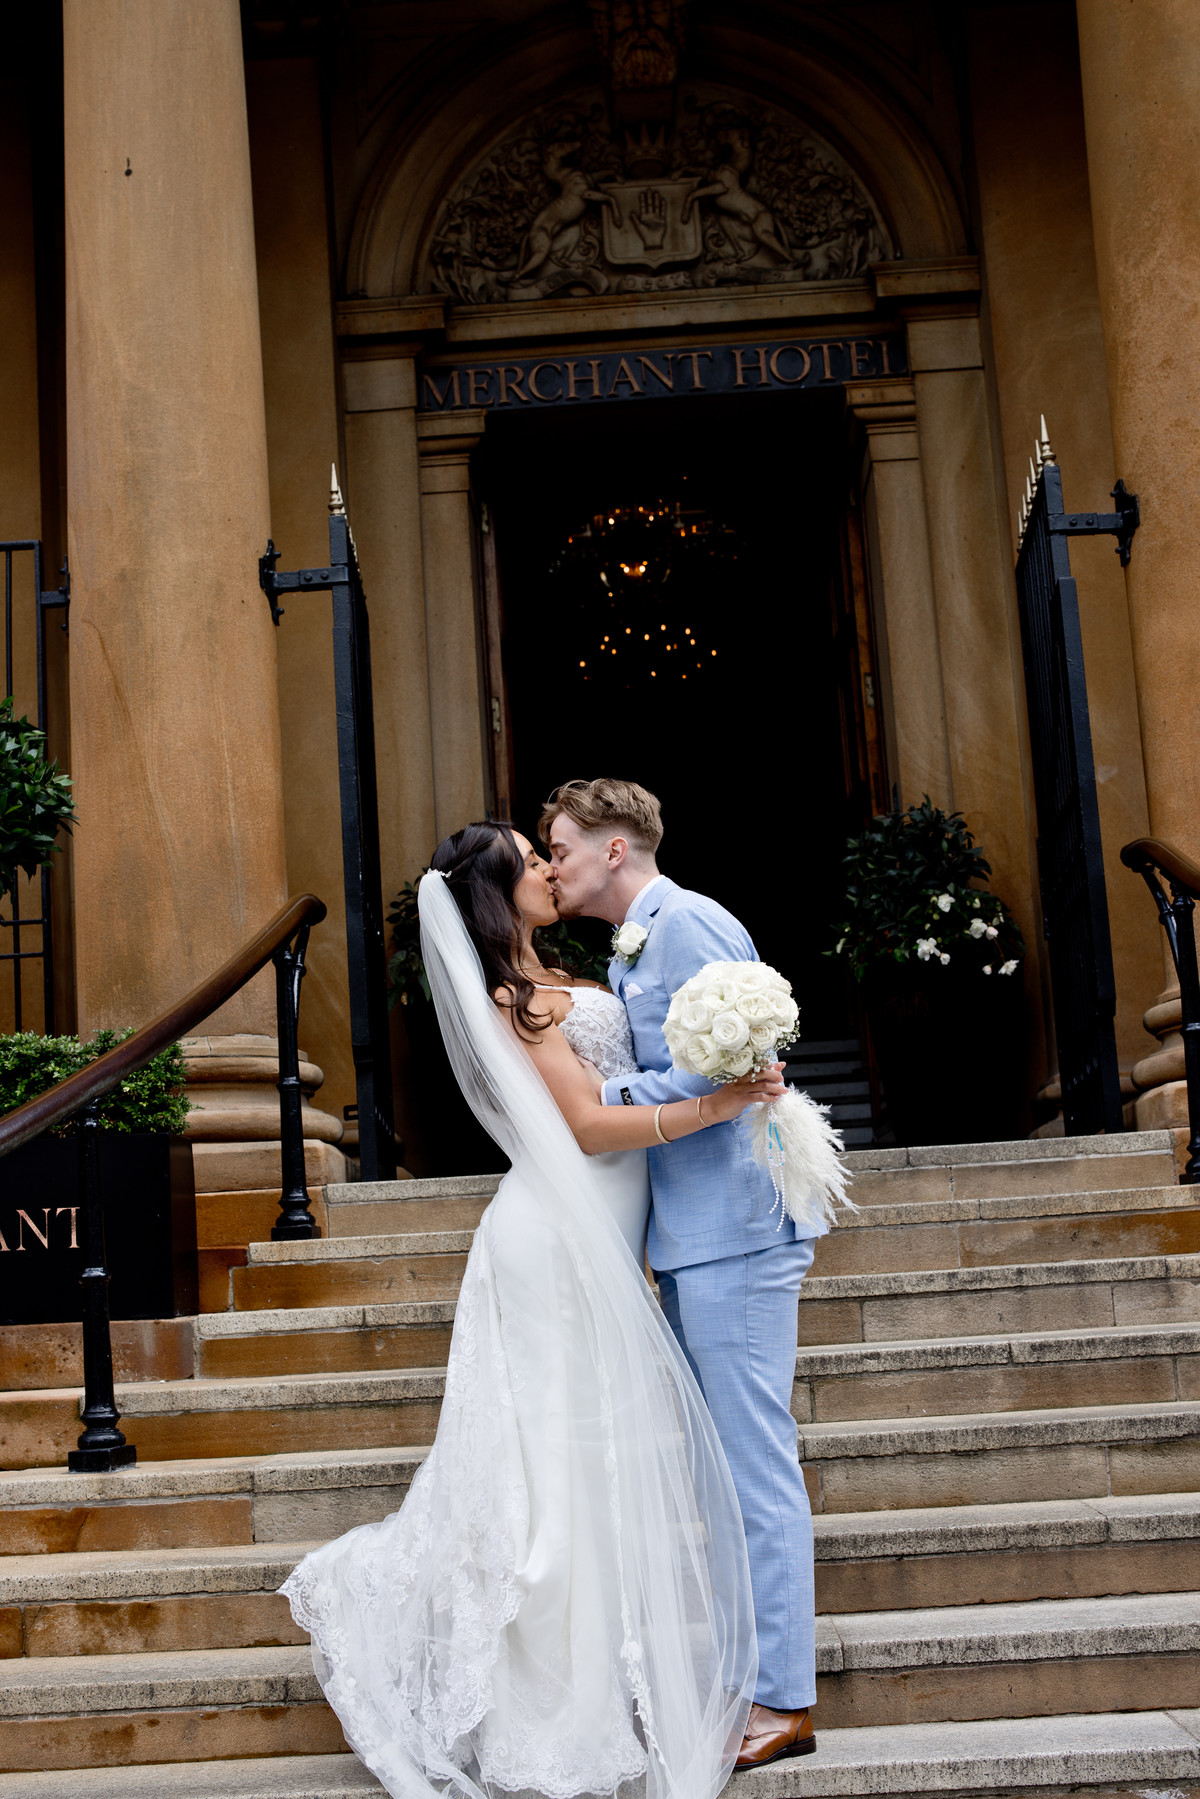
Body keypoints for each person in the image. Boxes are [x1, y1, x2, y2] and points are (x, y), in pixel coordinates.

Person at [282, 819, 783, 1799]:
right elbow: (590, 1125)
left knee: (578, 1472)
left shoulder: (555, 973)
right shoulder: (517, 1001)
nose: (553, 868)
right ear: (500, 889)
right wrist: (719, 1105)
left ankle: (583, 1683)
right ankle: (547, 1709)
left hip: (592, 1233)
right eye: (535, 859)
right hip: (552, 1240)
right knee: (554, 1476)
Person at [542, 778, 820, 1771]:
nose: (554, 861)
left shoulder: (689, 923)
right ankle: (757, 1677)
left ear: (617, 848)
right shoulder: (639, 936)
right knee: (732, 1468)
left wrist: (589, 1096)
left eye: (565, 844)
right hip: (694, 1232)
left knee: (754, 1465)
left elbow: (735, 1072)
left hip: (737, 1228)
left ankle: (784, 1698)